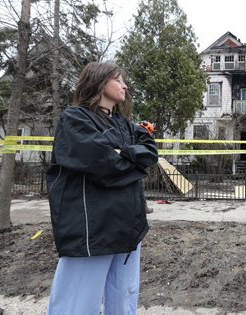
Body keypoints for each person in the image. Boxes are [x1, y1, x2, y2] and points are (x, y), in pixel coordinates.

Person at [46, 62, 158, 314]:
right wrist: (131, 159)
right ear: (99, 81)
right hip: (92, 232)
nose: (125, 85)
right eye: (118, 79)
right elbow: (104, 164)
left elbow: (149, 152)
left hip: (129, 229)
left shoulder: (126, 125)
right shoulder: (74, 119)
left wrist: (122, 153)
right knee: (76, 303)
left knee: (124, 299)